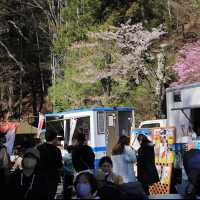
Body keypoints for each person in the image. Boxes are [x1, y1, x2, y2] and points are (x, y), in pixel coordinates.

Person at [37, 130, 63, 199]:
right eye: (56, 138)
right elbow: (60, 165)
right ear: (54, 138)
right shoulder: (57, 150)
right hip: (52, 178)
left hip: (40, 178)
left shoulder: (39, 148)